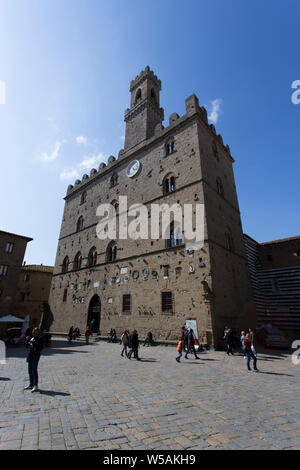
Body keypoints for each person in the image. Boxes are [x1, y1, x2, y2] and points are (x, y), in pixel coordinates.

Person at [24, 327, 44, 392]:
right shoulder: (32, 338)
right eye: (33, 331)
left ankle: (35, 385)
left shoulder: (40, 338)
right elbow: (27, 346)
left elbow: (39, 347)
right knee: (30, 370)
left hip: (36, 355)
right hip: (30, 355)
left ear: (38, 332)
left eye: (35, 331)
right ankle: (31, 384)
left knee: (34, 370)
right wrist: (27, 340)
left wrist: (31, 341)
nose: (33, 332)